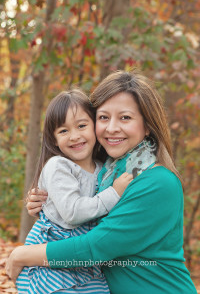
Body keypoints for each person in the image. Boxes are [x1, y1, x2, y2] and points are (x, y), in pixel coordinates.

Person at [6, 71, 197, 294]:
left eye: (125, 118)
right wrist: (47, 203)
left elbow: (94, 248)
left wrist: (22, 254)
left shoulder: (157, 182)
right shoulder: (105, 173)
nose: (111, 128)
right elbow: (77, 217)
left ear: (147, 126)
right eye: (104, 117)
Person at [15, 89, 133, 294]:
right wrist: (114, 193)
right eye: (63, 131)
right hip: (53, 251)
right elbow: (73, 213)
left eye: (82, 126)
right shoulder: (58, 166)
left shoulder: (102, 167)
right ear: (53, 139)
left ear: (95, 126)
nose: (75, 136)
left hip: (83, 256)